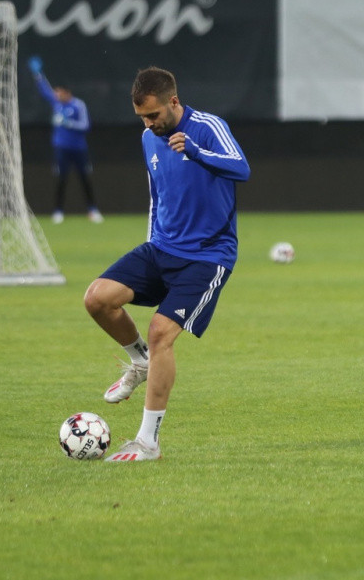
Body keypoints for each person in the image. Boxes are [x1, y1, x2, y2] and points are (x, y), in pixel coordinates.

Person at [83, 66, 250, 462]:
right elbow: (156, 196)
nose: (148, 123)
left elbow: (241, 168)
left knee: (161, 333)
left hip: (207, 255)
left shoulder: (207, 127)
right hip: (161, 248)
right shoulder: (148, 138)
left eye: (153, 115)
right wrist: (151, 242)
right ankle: (140, 361)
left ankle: (148, 442)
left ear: (173, 101)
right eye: (142, 117)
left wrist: (195, 151)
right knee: (97, 298)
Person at [27, 56, 103, 224]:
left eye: (60, 92)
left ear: (67, 92)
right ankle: (58, 211)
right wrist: (38, 74)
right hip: (61, 148)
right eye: (56, 92)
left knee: (84, 179)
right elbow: (45, 90)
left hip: (79, 149)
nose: (57, 94)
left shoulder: (78, 105)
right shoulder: (56, 103)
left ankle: (92, 210)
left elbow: (85, 126)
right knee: (61, 180)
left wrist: (68, 123)